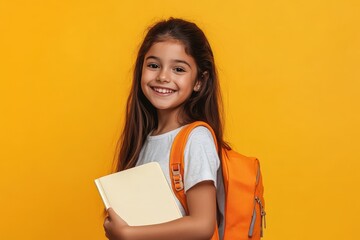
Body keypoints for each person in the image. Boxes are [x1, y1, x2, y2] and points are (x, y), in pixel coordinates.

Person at [103, 17, 229, 240]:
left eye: (178, 69)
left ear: (199, 81)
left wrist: (130, 234)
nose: (162, 76)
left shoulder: (196, 138)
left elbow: (203, 224)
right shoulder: (144, 139)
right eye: (153, 65)